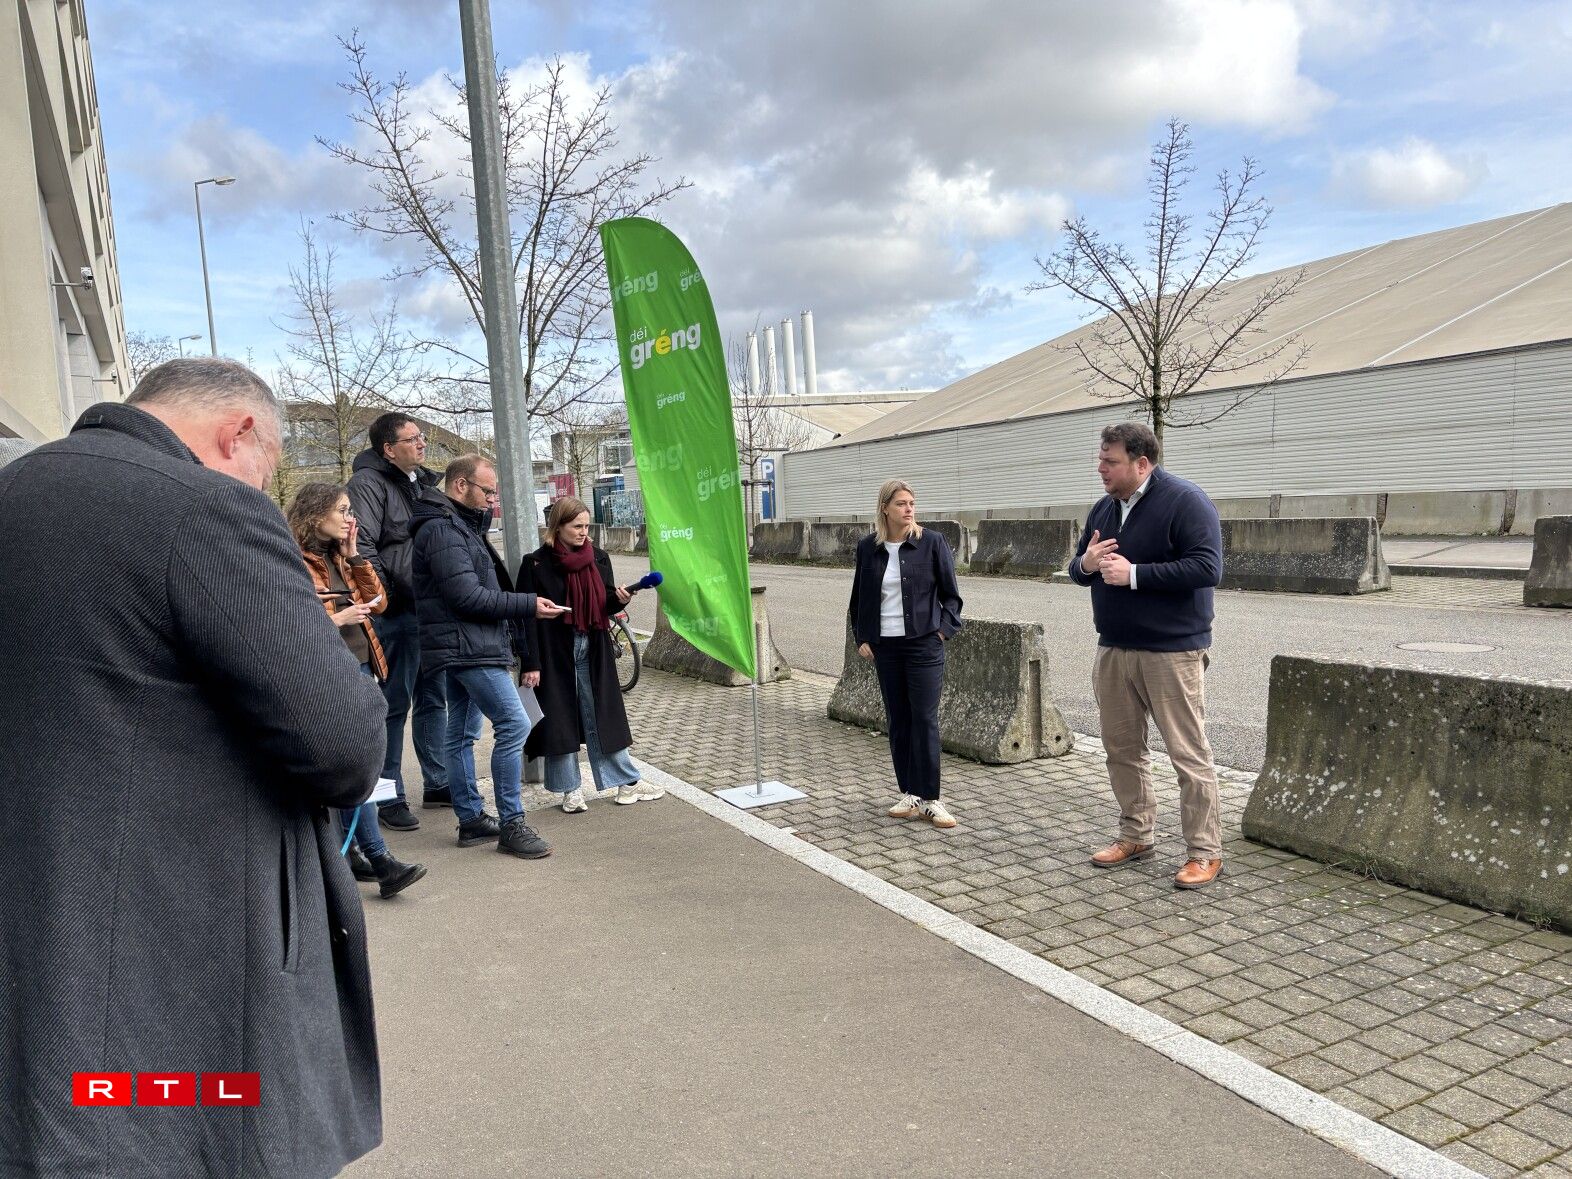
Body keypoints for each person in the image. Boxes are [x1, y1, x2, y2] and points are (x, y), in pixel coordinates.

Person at [0, 359, 387, 1177]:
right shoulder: (206, 508)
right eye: (266, 466)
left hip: (35, 950)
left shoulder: (16, 489)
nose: (261, 486)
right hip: (181, 956)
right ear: (238, 431)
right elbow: (343, 742)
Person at [1068, 422, 1225, 890]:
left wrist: (1135, 575)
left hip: (1171, 651)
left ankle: (1204, 851)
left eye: (1110, 461)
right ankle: (1136, 835)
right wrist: (1085, 565)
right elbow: (1079, 567)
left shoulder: (1185, 500)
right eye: (1100, 459)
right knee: (1121, 749)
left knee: (1187, 753)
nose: (1101, 468)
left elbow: (1207, 567)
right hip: (1114, 647)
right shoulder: (1104, 507)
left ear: (1141, 463)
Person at [410, 455, 567, 858]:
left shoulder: (456, 525)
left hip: (465, 644)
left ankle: (471, 821)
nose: (493, 500)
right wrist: (529, 604)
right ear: (460, 485)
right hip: (469, 647)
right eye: (488, 491)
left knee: (461, 735)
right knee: (514, 724)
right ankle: (512, 824)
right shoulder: (443, 529)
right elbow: (466, 596)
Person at [289, 481, 428, 899]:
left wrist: (354, 556)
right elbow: (290, 623)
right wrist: (337, 619)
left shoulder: (341, 556)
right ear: (316, 515)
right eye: (343, 511)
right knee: (355, 764)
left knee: (358, 763)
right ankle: (378, 858)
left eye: (351, 510)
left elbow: (380, 603)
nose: (351, 519)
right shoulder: (293, 559)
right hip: (328, 672)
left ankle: (357, 855)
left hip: (363, 667)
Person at [518, 497, 663, 812]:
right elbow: (524, 618)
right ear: (558, 526)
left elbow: (603, 605)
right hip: (554, 650)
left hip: (593, 644)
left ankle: (626, 782)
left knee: (602, 713)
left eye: (586, 525)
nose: (584, 532)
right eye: (576, 526)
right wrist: (530, 662)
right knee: (559, 718)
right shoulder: (535, 563)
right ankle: (570, 791)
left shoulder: (598, 558)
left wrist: (620, 599)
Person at [348, 411, 450, 830]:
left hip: (429, 609)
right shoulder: (367, 484)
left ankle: (438, 783)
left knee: (433, 697)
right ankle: (390, 796)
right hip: (398, 613)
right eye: (413, 439)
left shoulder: (422, 483)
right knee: (394, 704)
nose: (422, 444)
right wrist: (385, 599)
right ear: (388, 449)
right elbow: (362, 545)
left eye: (422, 436)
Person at [848, 479, 964, 829]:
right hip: (886, 647)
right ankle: (910, 792)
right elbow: (859, 597)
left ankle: (931, 799)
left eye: (912, 503)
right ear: (885, 508)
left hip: (924, 644)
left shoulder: (931, 542)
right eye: (901, 503)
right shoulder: (868, 547)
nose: (909, 509)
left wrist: (941, 631)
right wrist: (862, 636)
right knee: (898, 719)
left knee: (924, 719)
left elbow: (952, 597)